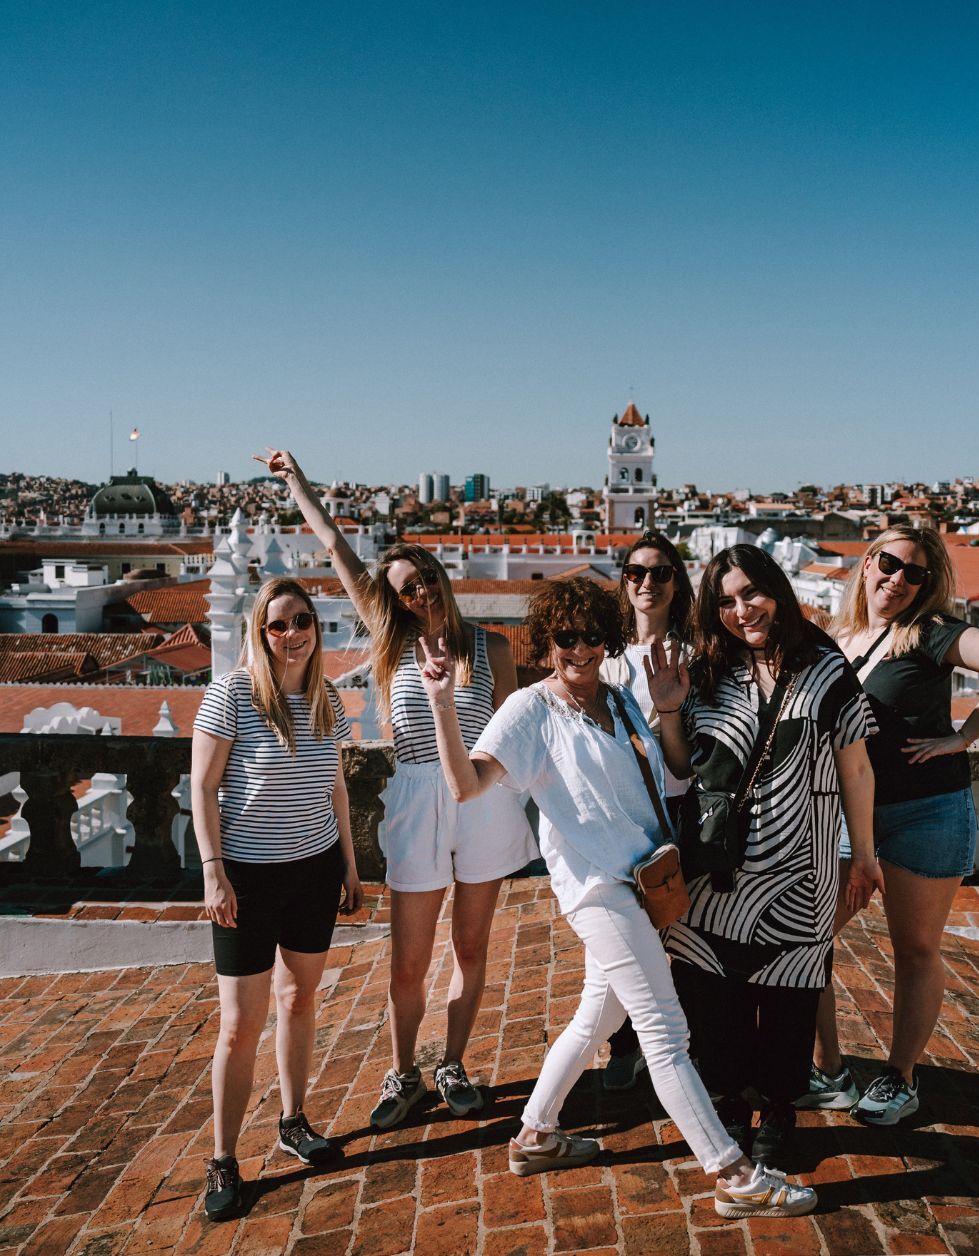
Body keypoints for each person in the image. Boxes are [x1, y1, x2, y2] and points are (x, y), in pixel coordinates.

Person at [421, 576, 818, 1218]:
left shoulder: (620, 700)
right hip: (597, 888)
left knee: (597, 1018)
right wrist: (442, 704)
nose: (578, 649)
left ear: (608, 640)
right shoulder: (531, 709)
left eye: (591, 636)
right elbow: (468, 785)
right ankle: (735, 1174)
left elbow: (673, 776)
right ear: (547, 640)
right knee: (665, 1027)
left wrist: (666, 708)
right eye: (565, 637)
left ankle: (534, 1135)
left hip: (642, 883)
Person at [260, 448, 534, 1127]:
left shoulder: (492, 647)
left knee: (471, 948)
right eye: (408, 588)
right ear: (394, 599)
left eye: (427, 579)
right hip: (416, 797)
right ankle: (404, 1070)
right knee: (408, 962)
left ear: (442, 578)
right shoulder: (390, 639)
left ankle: (453, 1063)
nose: (422, 594)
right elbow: (336, 547)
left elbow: (513, 732)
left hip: (483, 798)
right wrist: (298, 483)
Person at [647, 543, 882, 1164]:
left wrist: (863, 854)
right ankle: (727, 1103)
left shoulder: (825, 667)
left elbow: (857, 767)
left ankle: (779, 1108)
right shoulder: (706, 670)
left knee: (789, 1002)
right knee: (713, 1001)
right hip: (714, 873)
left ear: (776, 590)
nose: (742, 610)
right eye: (726, 601)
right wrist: (668, 709)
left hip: (800, 873)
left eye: (751, 592)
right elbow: (682, 767)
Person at [818, 525, 979, 1125]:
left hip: (926, 810)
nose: (898, 580)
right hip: (850, 815)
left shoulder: (931, 632)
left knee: (915, 948)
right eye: (890, 564)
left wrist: (965, 735)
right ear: (868, 563)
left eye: (915, 574)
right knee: (807, 940)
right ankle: (829, 1070)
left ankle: (900, 1077)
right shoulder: (837, 637)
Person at [193, 578, 362, 1222]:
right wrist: (213, 872)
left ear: (317, 627)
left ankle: (293, 1121)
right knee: (239, 1024)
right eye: (278, 624)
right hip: (248, 878)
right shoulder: (232, 694)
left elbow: (336, 785)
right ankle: (223, 1158)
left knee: (299, 999)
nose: (293, 634)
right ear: (259, 633)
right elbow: (202, 786)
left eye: (303, 621)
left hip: (314, 870)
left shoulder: (325, 696)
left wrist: (349, 865)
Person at [596, 530, 694, 1091]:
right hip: (617, 814)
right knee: (624, 935)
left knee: (673, 930)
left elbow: (683, 764)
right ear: (624, 581)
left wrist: (669, 711)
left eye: (660, 572)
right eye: (636, 572)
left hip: (673, 810)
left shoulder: (693, 655)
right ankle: (626, 1042)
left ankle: (670, 1041)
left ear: (676, 582)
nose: (647, 582)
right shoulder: (604, 657)